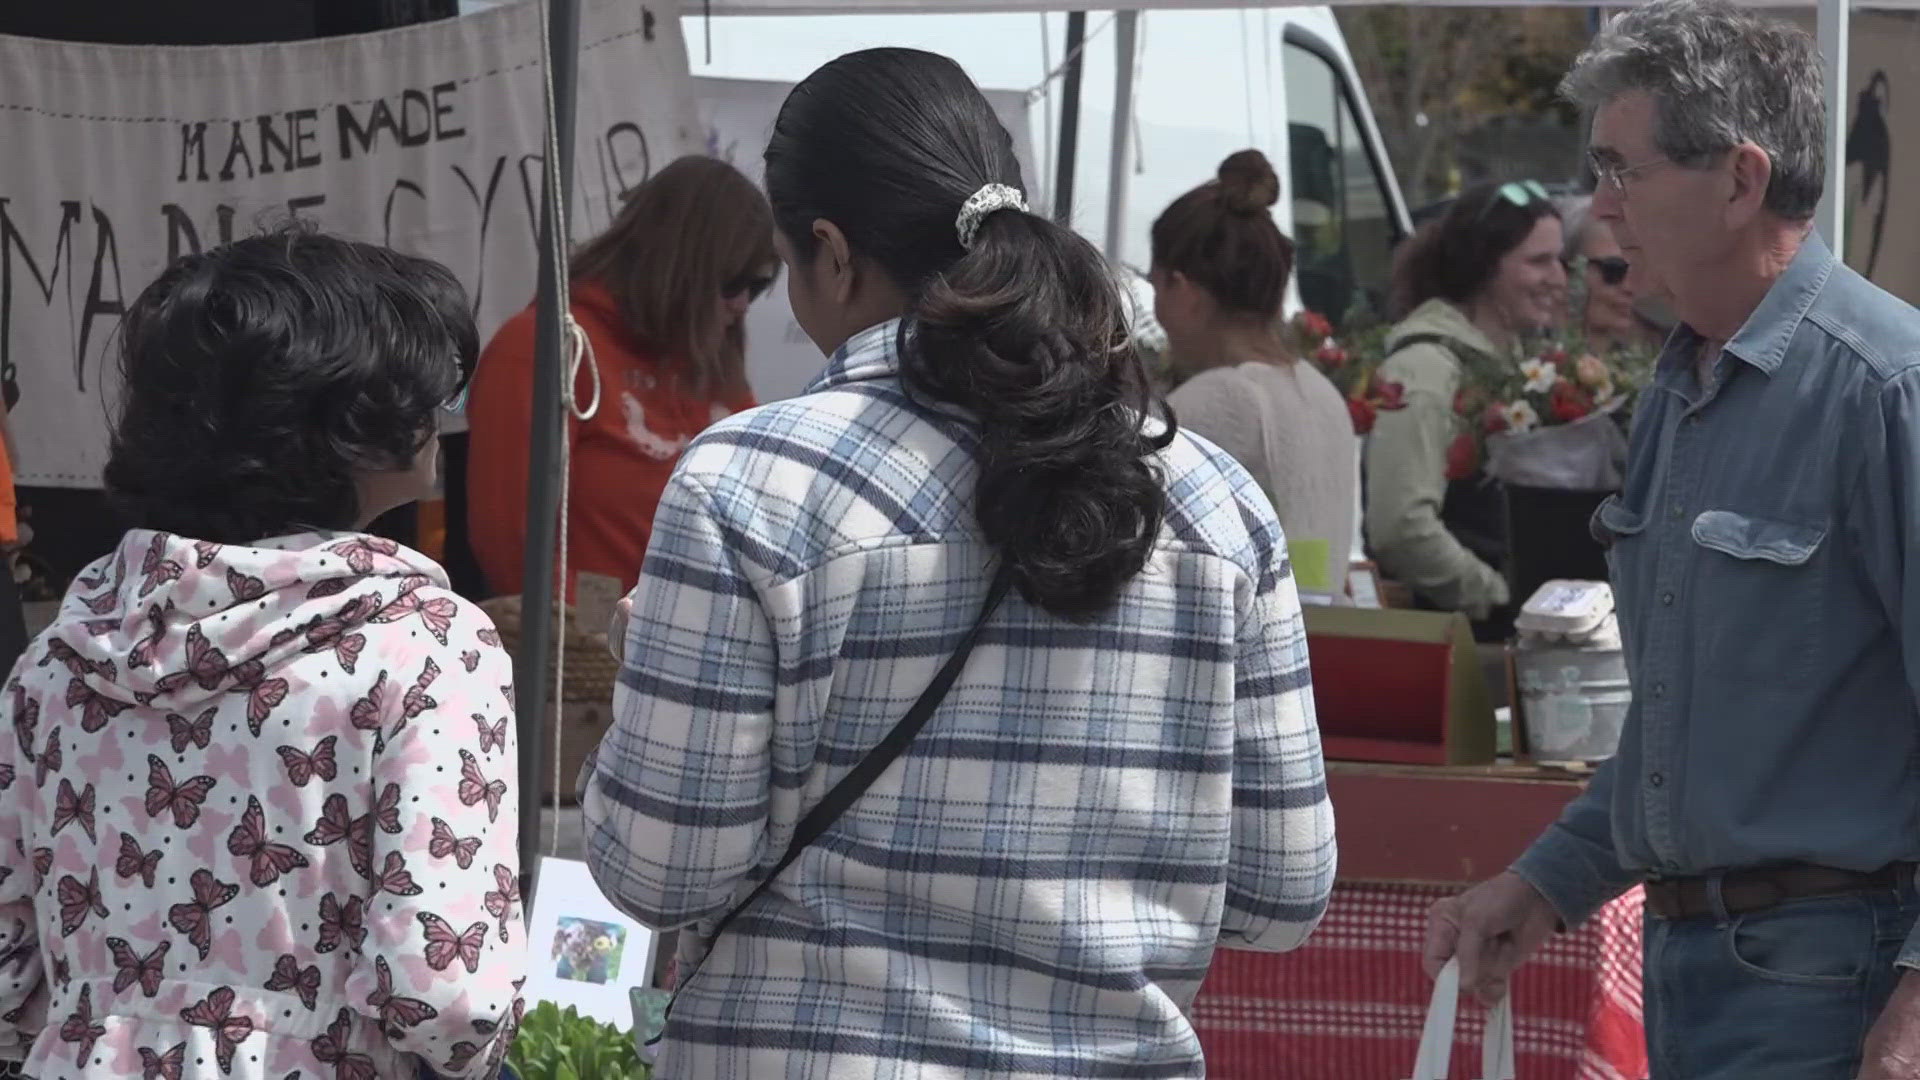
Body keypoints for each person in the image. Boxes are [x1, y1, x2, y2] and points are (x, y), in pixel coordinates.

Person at [579, 47, 1335, 1079]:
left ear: (832, 253)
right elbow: (1280, 895)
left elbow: (659, 873)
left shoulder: (750, 483)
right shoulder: (1213, 502)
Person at [1422, 3, 1920, 1076]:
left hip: (1839, 982)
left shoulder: (1886, 389)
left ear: (1741, 182)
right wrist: (1545, 881)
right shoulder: (1686, 389)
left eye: (1622, 170)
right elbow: (1679, 732)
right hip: (1705, 968)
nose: (1600, 211)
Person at [0, 228, 525, 1079]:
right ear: (345, 423)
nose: (442, 418)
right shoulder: (421, 646)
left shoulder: (60, 658)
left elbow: (7, 961)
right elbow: (450, 997)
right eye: (424, 393)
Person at [464, 154, 776, 599]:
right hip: (594, 651)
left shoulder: (709, 352)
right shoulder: (547, 345)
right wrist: (599, 641)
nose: (743, 304)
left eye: (759, 285)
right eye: (732, 282)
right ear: (677, 269)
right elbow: (513, 543)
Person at [1364, 181, 1567, 638]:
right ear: (1484, 268)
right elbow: (1401, 526)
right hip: (1458, 644)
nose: (1559, 278)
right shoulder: (1425, 367)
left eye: (1560, 260)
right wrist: (1497, 597)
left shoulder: (1512, 361)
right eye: (1539, 261)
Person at [1155, 149, 1357, 595]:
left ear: (1181, 287)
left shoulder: (1220, 398)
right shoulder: (1321, 390)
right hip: (1324, 648)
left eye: (1156, 285)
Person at [1559, 195, 1666, 356]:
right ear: (1568, 268)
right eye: (1614, 271)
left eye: (1638, 269)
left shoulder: (1666, 361)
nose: (1629, 287)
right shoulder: (1528, 364)